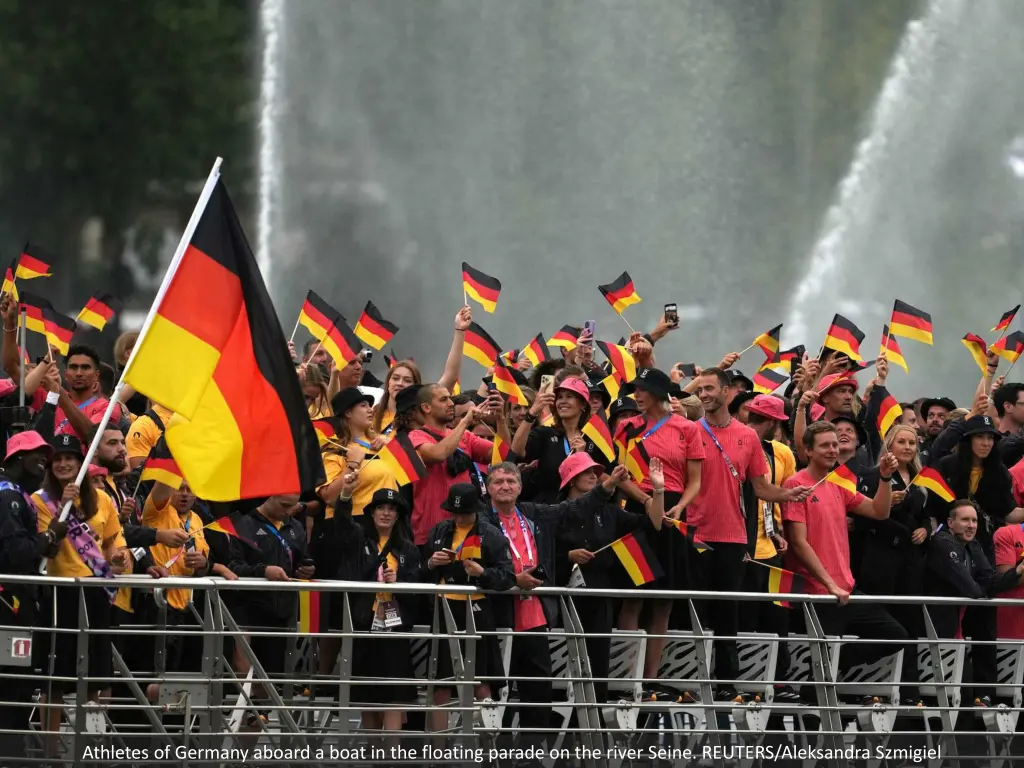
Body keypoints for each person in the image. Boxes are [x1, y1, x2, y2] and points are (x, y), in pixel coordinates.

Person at [482, 460, 638, 751]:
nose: (505, 486)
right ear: (488, 487)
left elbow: (572, 508)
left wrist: (608, 485)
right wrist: (511, 579)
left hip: (535, 616)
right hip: (498, 617)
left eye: (511, 481)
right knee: (496, 693)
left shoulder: (532, 513)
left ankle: (530, 756)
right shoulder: (480, 520)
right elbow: (474, 568)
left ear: (520, 487)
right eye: (498, 481)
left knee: (539, 694)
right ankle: (497, 757)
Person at [690, 368, 808, 702]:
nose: (704, 394)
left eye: (710, 388)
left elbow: (761, 487)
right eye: (701, 389)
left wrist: (788, 495)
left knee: (729, 612)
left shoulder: (748, 437)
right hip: (695, 533)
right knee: (696, 609)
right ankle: (693, 678)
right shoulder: (689, 431)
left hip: (733, 535)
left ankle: (726, 681)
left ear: (727, 392)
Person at [782, 421, 907, 697]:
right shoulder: (796, 484)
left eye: (835, 445)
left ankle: (828, 670)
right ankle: (813, 695)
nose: (832, 450)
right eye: (825, 445)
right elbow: (798, 542)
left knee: (895, 634)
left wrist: (885, 478)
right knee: (820, 675)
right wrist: (828, 584)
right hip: (818, 593)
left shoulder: (837, 482)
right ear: (808, 450)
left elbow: (879, 511)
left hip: (845, 589)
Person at [33, 433, 130, 742]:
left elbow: (114, 542)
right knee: (55, 680)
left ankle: (93, 743)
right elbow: (44, 546)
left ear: (81, 463)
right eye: (57, 459)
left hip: (96, 591)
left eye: (69, 458)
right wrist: (62, 506)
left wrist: (119, 557)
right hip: (60, 593)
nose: (63, 463)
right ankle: (50, 750)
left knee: (98, 677)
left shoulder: (101, 499)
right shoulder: (39, 501)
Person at [614, 367, 704, 690]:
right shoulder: (628, 427)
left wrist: (679, 506)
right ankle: (625, 676)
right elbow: (620, 476)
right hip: (638, 509)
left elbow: (696, 482)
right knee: (633, 596)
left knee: (664, 599)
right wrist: (646, 498)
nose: (637, 395)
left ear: (658, 393)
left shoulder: (687, 429)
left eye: (643, 389)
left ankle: (650, 678)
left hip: (675, 513)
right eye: (635, 389)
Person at [555, 454, 665, 708]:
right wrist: (568, 556)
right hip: (565, 594)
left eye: (596, 471)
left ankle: (595, 722)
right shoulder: (556, 510)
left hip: (601, 593)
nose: (594, 475)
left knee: (598, 659)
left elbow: (654, 524)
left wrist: (658, 491)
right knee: (565, 658)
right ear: (571, 480)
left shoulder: (610, 511)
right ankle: (562, 721)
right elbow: (542, 553)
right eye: (586, 472)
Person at [330, 479, 421, 742]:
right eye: (380, 507)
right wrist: (346, 493)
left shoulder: (409, 550)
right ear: (371, 512)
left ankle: (390, 752)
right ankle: (372, 750)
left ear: (399, 515)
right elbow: (342, 524)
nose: (386, 512)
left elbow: (418, 589)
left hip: (395, 623)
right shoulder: (359, 539)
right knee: (366, 692)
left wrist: (399, 583)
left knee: (395, 693)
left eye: (392, 508)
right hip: (364, 621)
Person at [422, 484, 514, 738]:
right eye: (455, 512)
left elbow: (508, 577)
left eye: (464, 513)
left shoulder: (492, 535)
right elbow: (420, 568)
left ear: (476, 510)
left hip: (477, 609)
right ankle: (437, 753)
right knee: (440, 685)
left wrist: (482, 573)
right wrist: (431, 562)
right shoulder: (440, 530)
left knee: (481, 683)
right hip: (443, 608)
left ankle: (486, 751)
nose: (459, 517)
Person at [0, 432, 66, 761]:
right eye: (34, 453)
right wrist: (49, 536)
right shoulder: (8, 496)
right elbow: (16, 554)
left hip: (19, 603)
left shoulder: (20, 496)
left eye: (45, 454)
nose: (43, 459)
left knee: (21, 683)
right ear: (13, 459)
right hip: (8, 605)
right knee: (13, 684)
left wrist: (45, 540)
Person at [854, 424, 930, 705]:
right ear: (889, 445)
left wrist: (925, 530)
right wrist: (890, 503)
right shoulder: (875, 475)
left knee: (910, 625)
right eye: (902, 442)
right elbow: (863, 518)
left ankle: (910, 691)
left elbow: (928, 515)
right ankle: (872, 687)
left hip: (910, 563)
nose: (908, 447)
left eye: (912, 442)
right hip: (881, 559)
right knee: (881, 625)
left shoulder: (921, 478)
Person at [226, 495, 314, 728]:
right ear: (270, 495)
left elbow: (302, 560)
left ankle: (249, 753)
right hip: (248, 605)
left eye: (292, 506)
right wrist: (263, 571)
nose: (288, 511)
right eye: (284, 505)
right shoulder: (243, 523)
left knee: (268, 680)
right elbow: (232, 566)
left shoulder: (295, 526)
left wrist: (306, 569)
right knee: (243, 662)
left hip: (281, 609)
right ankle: (252, 703)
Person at [926, 501, 1024, 706]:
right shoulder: (942, 543)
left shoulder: (972, 544)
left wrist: (1017, 571)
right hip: (933, 634)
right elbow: (971, 588)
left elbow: (989, 580)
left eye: (974, 520)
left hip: (955, 635)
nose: (971, 525)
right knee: (961, 697)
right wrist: (985, 590)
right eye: (964, 520)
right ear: (950, 523)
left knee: (967, 695)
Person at [735, 395, 795, 693]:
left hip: (771, 548)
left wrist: (779, 529)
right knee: (745, 618)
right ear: (773, 422)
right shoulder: (737, 445)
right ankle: (746, 680)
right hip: (741, 548)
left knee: (778, 615)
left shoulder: (782, 452)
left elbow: (779, 494)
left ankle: (779, 679)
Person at [403, 383, 508, 547]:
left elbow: (502, 455)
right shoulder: (415, 436)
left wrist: (500, 419)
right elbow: (438, 454)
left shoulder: (465, 436)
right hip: (430, 532)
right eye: (444, 399)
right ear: (426, 407)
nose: (451, 403)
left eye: (450, 399)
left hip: (467, 530)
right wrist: (465, 421)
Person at [140, 479, 209, 701]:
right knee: (153, 671)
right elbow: (161, 488)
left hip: (186, 606)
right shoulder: (158, 510)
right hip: (158, 602)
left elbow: (204, 558)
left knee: (180, 674)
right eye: (180, 489)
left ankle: (175, 729)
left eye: (190, 490)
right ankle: (146, 730)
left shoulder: (196, 519)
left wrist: (202, 562)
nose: (185, 495)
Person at [370, 306, 473, 436]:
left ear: (415, 386)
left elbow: (450, 376)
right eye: (395, 378)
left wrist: (460, 330)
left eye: (407, 380)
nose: (400, 383)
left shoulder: (423, 412)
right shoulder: (373, 413)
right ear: (388, 382)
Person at [511, 377, 611, 502]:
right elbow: (517, 451)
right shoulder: (545, 434)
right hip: (548, 512)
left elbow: (601, 479)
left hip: (581, 510)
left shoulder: (593, 439)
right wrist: (532, 413)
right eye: (560, 397)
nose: (562, 401)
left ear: (583, 404)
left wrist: (582, 457)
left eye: (569, 396)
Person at [918, 396, 956, 464]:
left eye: (941, 416)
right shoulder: (917, 448)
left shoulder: (957, 450)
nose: (934, 419)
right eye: (931, 415)